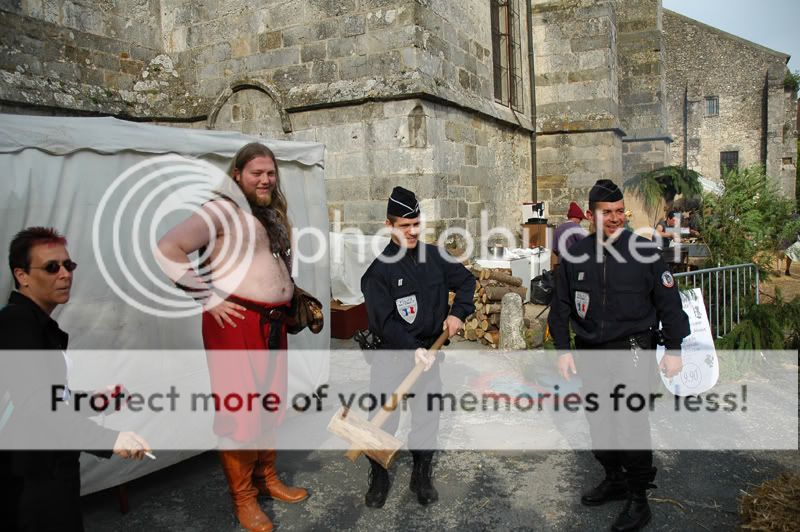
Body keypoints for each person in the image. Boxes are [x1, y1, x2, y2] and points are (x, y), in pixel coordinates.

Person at [157, 143, 308, 532]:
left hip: (271, 324)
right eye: (257, 172)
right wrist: (206, 296)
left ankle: (267, 479)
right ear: (237, 173)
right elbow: (168, 248)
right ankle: (244, 499)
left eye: (271, 172)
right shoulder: (221, 209)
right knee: (239, 414)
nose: (266, 179)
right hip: (236, 325)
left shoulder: (267, 215)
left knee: (269, 405)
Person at [548, 180, 690, 531]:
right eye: (606, 213)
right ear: (592, 215)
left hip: (633, 352)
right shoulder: (574, 256)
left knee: (630, 425)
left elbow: (669, 304)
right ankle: (614, 478)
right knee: (599, 422)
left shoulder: (646, 251)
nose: (614, 219)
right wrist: (563, 351)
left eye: (619, 212)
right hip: (591, 353)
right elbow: (560, 306)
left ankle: (639, 498)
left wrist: (674, 348)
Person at [0, 226, 150, 532]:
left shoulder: (36, 324)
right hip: (31, 478)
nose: (65, 274)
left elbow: (47, 399)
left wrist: (95, 400)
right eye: (52, 267)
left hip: (49, 469)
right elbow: (36, 408)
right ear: (22, 275)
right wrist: (109, 439)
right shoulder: (16, 323)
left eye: (69, 265)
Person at [360, 186, 475, 508]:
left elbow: (467, 281)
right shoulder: (378, 273)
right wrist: (411, 349)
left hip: (430, 352)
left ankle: (421, 474)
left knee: (427, 415)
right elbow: (384, 322)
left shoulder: (435, 257)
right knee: (383, 417)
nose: (411, 231)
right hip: (392, 355)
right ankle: (379, 475)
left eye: (415, 224)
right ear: (389, 225)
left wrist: (458, 313)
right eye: (403, 225)